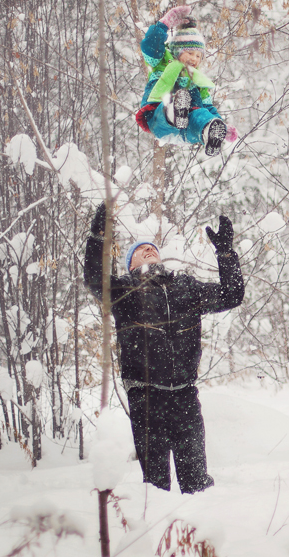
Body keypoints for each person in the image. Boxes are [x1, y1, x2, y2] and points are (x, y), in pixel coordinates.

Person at [84, 202, 244, 493]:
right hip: (146, 398)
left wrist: (225, 254)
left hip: (185, 396)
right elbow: (95, 279)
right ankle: (157, 535)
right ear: (130, 264)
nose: (147, 250)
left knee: (197, 483)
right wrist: (98, 237)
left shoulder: (186, 287)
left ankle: (197, 534)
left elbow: (231, 295)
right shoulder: (124, 292)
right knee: (155, 487)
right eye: (139, 250)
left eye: (152, 248)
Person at [135, 5, 238, 156]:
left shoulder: (197, 81)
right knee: (167, 105)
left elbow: (208, 107)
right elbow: (150, 45)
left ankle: (209, 130)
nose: (194, 59)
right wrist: (164, 23)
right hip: (160, 121)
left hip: (186, 132)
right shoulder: (163, 62)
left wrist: (220, 125)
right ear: (177, 51)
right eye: (190, 52)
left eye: (198, 56)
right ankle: (175, 110)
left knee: (200, 114)